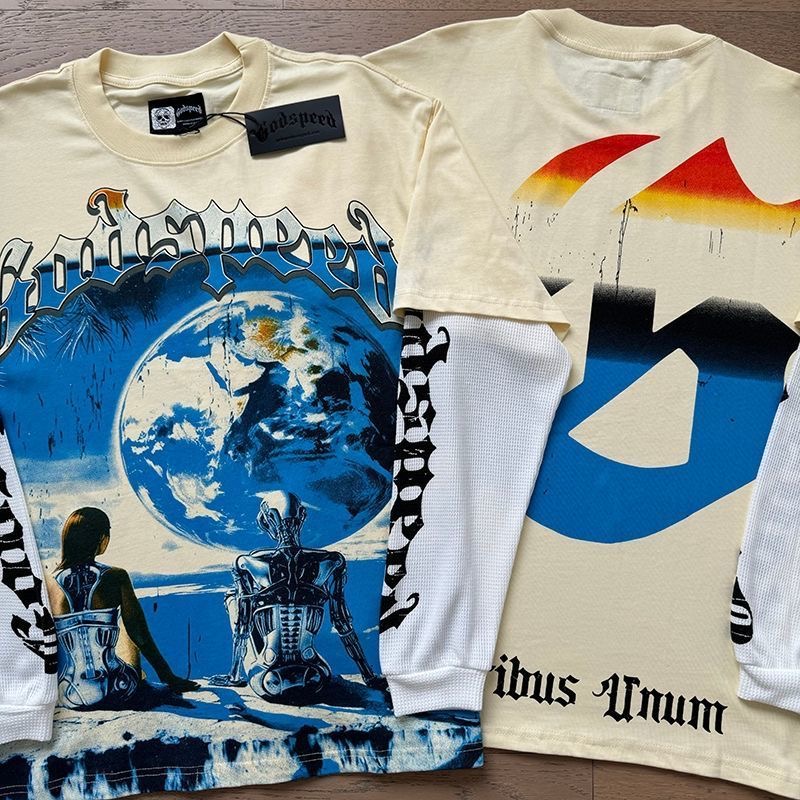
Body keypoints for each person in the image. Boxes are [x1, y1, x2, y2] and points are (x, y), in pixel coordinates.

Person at [211, 491, 386, 703]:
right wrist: (369, 676)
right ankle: (367, 675)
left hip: (268, 680)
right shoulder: (331, 561)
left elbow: (243, 625)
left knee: (234, 598)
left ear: (268, 521)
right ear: (301, 517)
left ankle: (234, 675)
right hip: (315, 676)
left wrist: (233, 676)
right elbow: (342, 623)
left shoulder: (247, 563)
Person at [46, 507, 198, 710]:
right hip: (116, 689)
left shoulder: (48, 583)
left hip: (69, 694)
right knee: (127, 622)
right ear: (101, 538)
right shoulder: (115, 576)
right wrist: (167, 675)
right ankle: (144, 683)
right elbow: (139, 635)